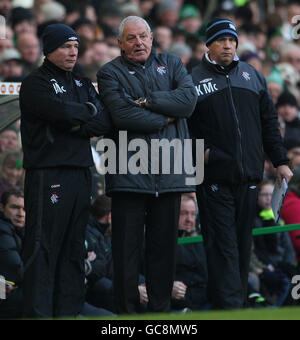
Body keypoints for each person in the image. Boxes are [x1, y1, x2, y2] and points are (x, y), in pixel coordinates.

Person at [189, 17, 293, 310]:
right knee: (223, 247)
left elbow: (269, 122)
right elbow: (185, 127)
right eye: (221, 40)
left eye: (232, 40)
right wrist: (204, 154)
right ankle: (230, 307)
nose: (228, 45)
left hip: (249, 177)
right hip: (212, 179)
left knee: (241, 246)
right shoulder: (193, 79)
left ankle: (234, 305)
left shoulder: (252, 75)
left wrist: (280, 160)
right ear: (208, 44)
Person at [97, 16, 197, 314]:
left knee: (163, 254)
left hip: (169, 175)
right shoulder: (108, 72)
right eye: (131, 38)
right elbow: (123, 116)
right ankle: (126, 317)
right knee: (125, 254)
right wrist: (166, 116)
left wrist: (146, 100)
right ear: (120, 43)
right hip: (128, 175)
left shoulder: (174, 63)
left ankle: (160, 316)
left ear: (152, 38)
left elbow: (188, 102)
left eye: (143, 36)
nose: (138, 42)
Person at [19, 23, 112, 318]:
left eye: (75, 46)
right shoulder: (36, 82)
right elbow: (58, 112)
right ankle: (39, 314)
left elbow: (103, 122)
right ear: (49, 50)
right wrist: (85, 113)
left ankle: (67, 313)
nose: (73, 52)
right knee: (43, 246)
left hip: (81, 172)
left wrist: (80, 116)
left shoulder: (81, 82)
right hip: (49, 173)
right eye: (65, 47)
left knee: (74, 247)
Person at [171, 194, 209, 311]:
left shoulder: (202, 239)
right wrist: (168, 286)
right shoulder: (163, 242)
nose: (189, 219)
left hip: (205, 303)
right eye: (184, 213)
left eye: (193, 214)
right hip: (175, 305)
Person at [0, 188, 25, 319]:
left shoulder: (19, 231)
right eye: (15, 207)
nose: (21, 213)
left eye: (24, 209)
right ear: (2, 208)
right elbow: (15, 267)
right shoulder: (2, 229)